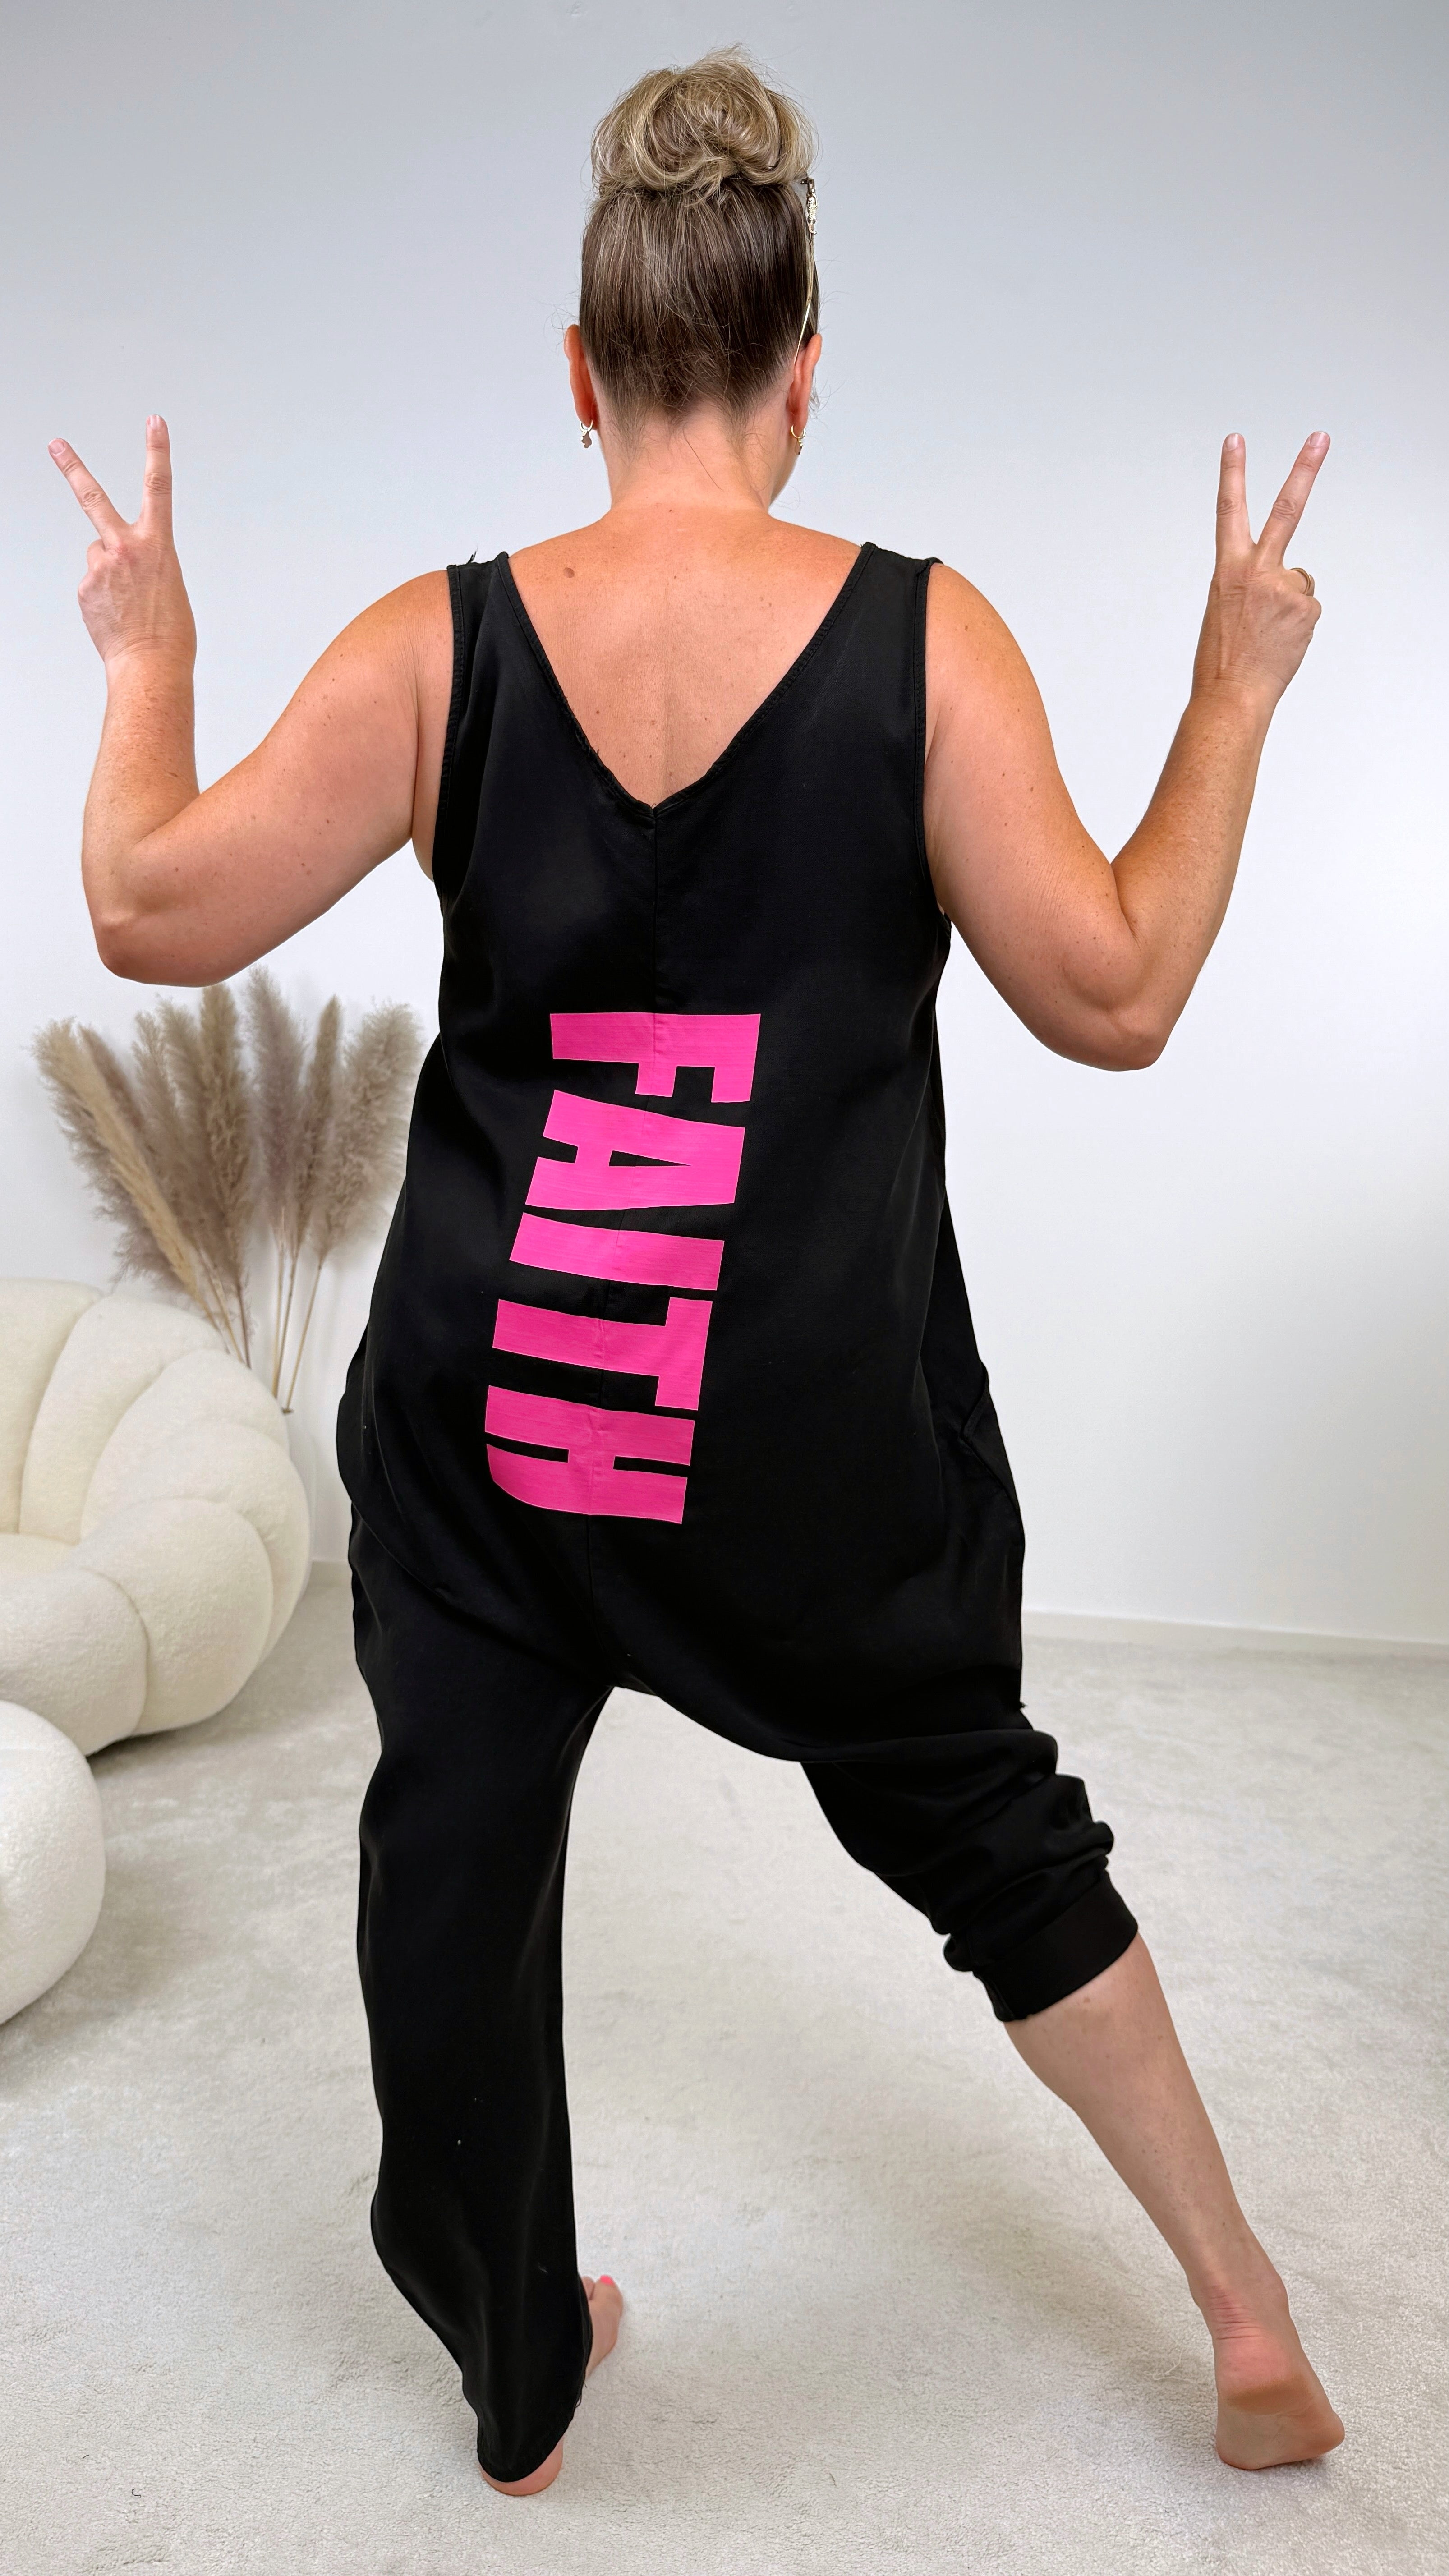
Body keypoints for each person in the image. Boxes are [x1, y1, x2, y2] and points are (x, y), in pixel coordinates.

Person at [51, 46, 1343, 2500]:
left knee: (452, 1869)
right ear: (803, 370)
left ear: (582, 369)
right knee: (994, 1833)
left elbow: (147, 905)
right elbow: (1120, 992)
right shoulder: (924, 642)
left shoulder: (438, 646)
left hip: (502, 1419)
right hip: (796, 1440)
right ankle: (1252, 2317)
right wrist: (1232, 689)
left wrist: (145, 655)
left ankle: (520, 2375)